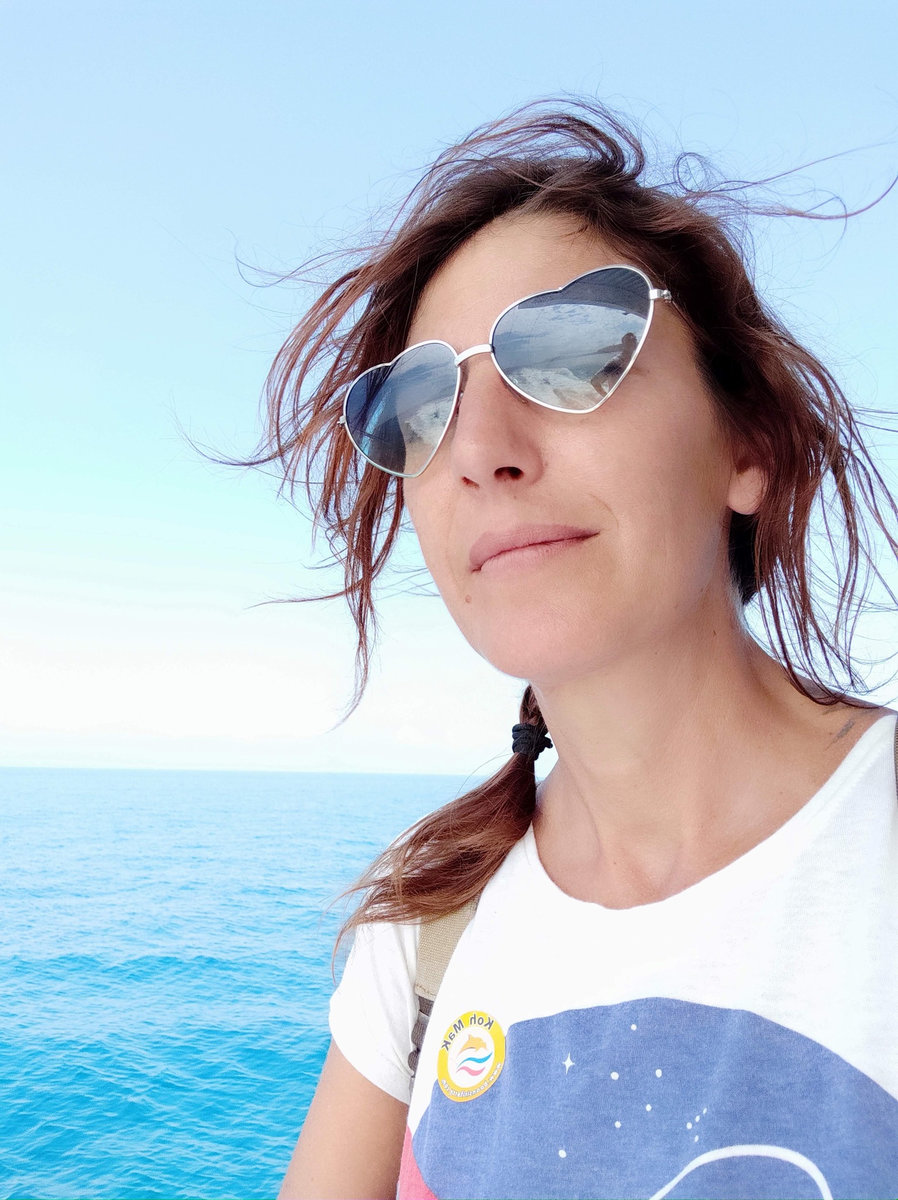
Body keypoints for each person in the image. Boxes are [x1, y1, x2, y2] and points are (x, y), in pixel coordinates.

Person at [267, 102, 898, 1199]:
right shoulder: (426, 924)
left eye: (568, 351)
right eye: (418, 406)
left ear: (746, 446)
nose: (479, 450)